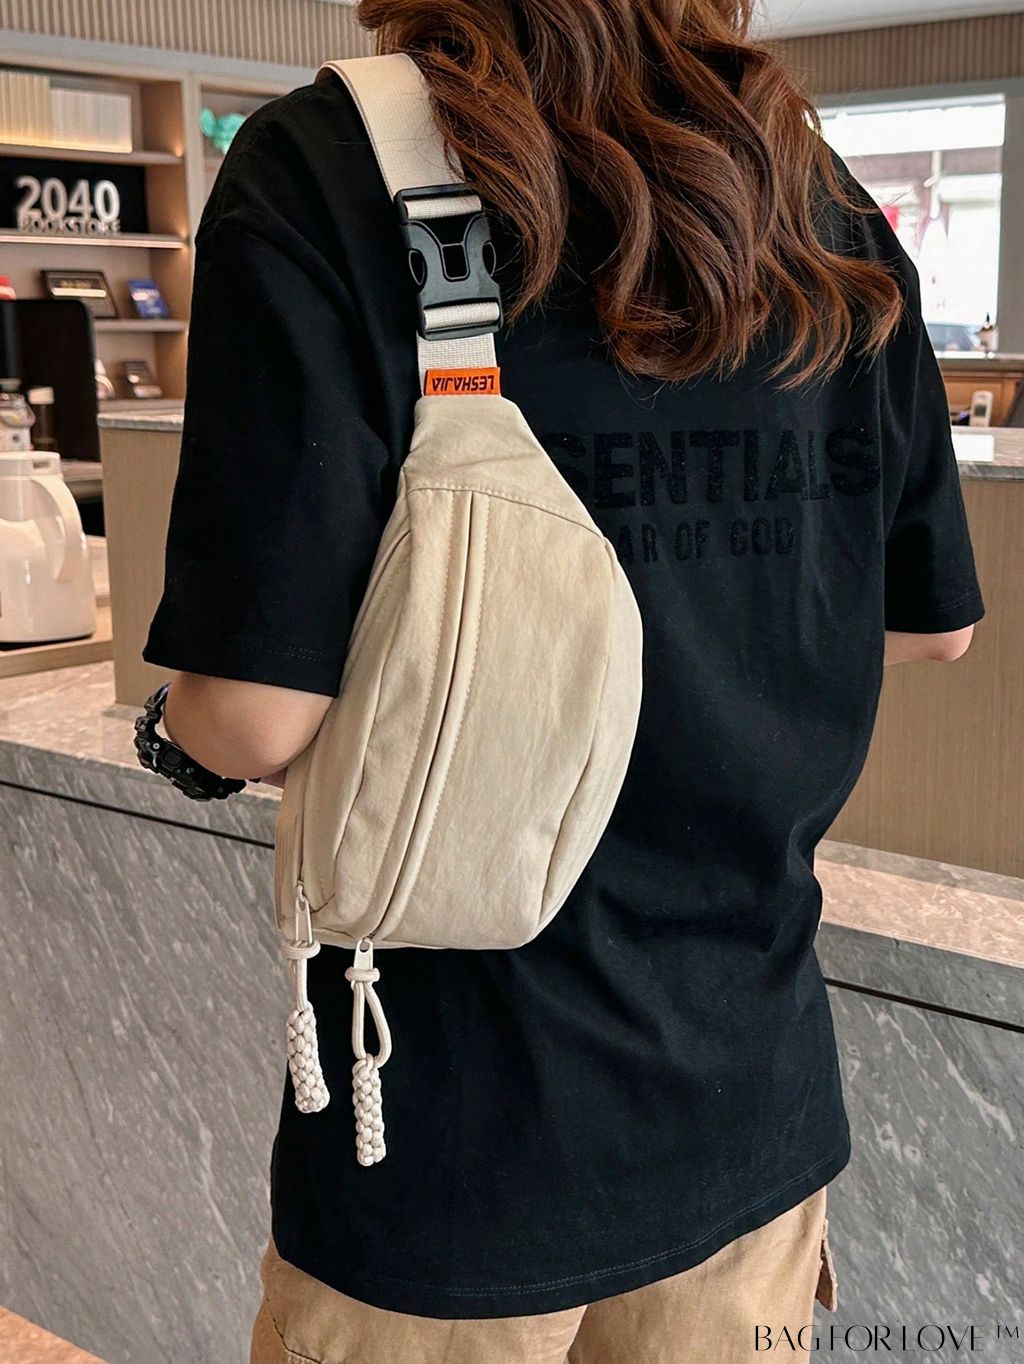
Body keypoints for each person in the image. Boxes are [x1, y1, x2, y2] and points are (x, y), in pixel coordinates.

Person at [140, 1, 985, 1360]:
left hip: (455, 1155)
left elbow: (249, 716)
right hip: (750, 1110)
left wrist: (170, 732)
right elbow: (923, 627)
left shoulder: (331, 166)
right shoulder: (805, 188)